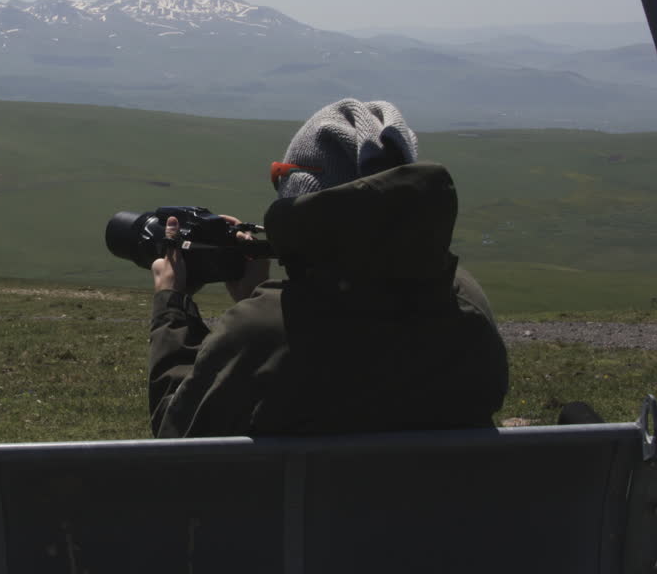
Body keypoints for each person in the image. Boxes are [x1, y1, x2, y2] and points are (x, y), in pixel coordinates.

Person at [147, 99, 508, 437]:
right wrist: (256, 299)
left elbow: (177, 431)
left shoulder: (263, 332)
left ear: (306, 195)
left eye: (281, 175)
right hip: (432, 503)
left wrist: (171, 302)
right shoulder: (466, 302)